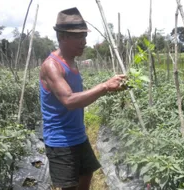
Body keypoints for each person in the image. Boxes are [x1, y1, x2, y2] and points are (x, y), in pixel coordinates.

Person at [39, 7, 126, 190]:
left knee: (87, 175)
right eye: (78, 36)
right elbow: (69, 101)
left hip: (78, 135)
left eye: (84, 36)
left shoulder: (72, 61)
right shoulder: (52, 66)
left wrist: (109, 87)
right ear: (62, 37)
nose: (84, 41)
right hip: (60, 141)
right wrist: (104, 87)